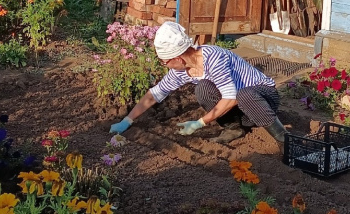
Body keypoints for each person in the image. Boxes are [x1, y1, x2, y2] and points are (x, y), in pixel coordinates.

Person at [109, 21, 288, 144]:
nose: (165, 65)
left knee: (244, 94)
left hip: (263, 97)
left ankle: (283, 138)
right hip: (242, 108)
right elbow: (155, 94)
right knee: (203, 89)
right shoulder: (182, 71)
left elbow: (231, 96)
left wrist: (200, 122)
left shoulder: (214, 58)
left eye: (165, 62)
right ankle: (234, 128)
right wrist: (127, 120)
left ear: (178, 58)